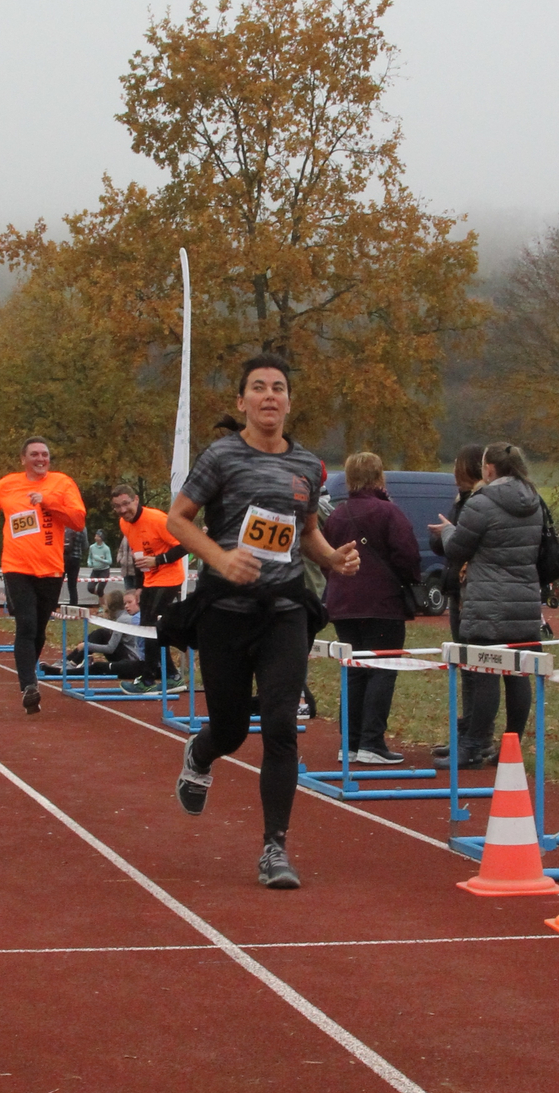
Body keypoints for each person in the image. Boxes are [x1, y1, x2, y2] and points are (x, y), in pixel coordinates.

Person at [166, 354, 359, 889]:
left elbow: (307, 531)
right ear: (242, 401)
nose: (269, 395)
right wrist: (220, 558)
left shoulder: (307, 465)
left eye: (278, 387)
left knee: (279, 725)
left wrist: (333, 558)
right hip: (225, 612)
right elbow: (177, 519)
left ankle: (275, 848)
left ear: (289, 402)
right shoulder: (221, 456)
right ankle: (201, 751)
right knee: (230, 728)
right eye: (258, 387)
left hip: (284, 611)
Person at [443, 443, 544, 766]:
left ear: (489, 469)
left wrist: (446, 531)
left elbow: (457, 549)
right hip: (525, 600)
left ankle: (474, 745)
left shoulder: (481, 503)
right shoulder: (535, 501)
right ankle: (511, 747)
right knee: (517, 675)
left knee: (485, 672)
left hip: (488, 599)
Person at [322, 451, 422, 766]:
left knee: (354, 671)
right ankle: (371, 741)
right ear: (379, 477)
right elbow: (408, 555)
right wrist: (409, 580)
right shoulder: (389, 512)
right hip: (382, 603)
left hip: (343, 602)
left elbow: (326, 557)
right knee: (382, 669)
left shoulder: (336, 515)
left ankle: (350, 743)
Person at [0, 436, 88, 713]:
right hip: (16, 567)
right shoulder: (7, 484)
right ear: (23, 459)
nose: (41, 459)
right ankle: (28, 686)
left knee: (39, 629)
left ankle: (30, 678)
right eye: (35, 454)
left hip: (51, 569)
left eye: (45, 454)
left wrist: (48, 502)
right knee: (26, 625)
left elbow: (78, 521)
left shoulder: (62, 483)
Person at [427, 444, 484, 760]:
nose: (452, 472)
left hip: (470, 589)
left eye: (457, 466)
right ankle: (466, 733)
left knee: (475, 668)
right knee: (464, 666)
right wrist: (442, 535)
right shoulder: (460, 500)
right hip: (455, 586)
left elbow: (463, 544)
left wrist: (450, 535)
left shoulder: (478, 502)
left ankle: (476, 737)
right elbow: (444, 544)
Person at [110, 482, 187, 677]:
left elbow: (185, 545)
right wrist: (139, 586)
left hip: (169, 577)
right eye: (117, 506)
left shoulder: (157, 519)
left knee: (149, 624)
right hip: (149, 579)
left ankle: (149, 675)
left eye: (126, 504)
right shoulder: (124, 524)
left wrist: (158, 560)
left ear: (136, 500)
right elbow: (138, 554)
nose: (122, 510)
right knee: (150, 626)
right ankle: (171, 674)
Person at [62, 523, 87, 608]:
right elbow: (85, 545)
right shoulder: (82, 527)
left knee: (58, 584)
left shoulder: (64, 525)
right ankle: (73, 607)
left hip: (63, 558)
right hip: (76, 559)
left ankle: (53, 607)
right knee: (72, 585)